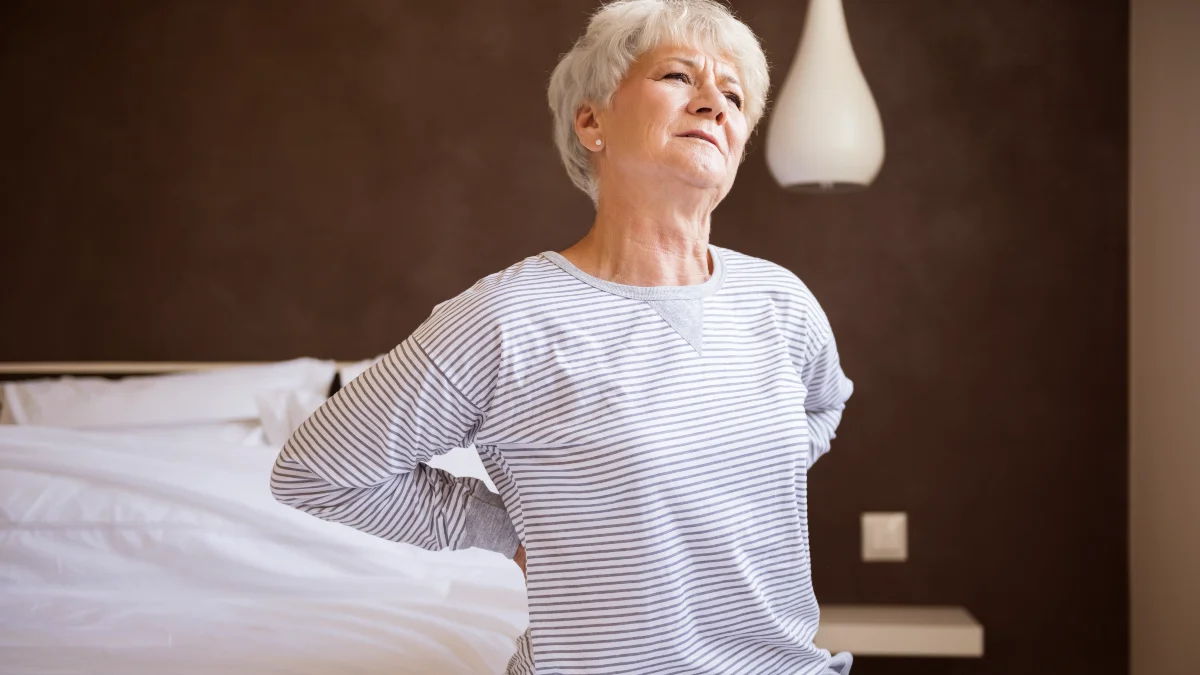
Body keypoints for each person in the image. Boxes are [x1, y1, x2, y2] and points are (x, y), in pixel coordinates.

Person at [269, 1, 855, 673]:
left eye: (734, 94)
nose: (712, 104)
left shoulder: (781, 301)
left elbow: (824, 403)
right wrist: (500, 527)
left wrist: (719, 474)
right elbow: (313, 473)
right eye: (676, 76)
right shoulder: (506, 319)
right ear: (591, 121)